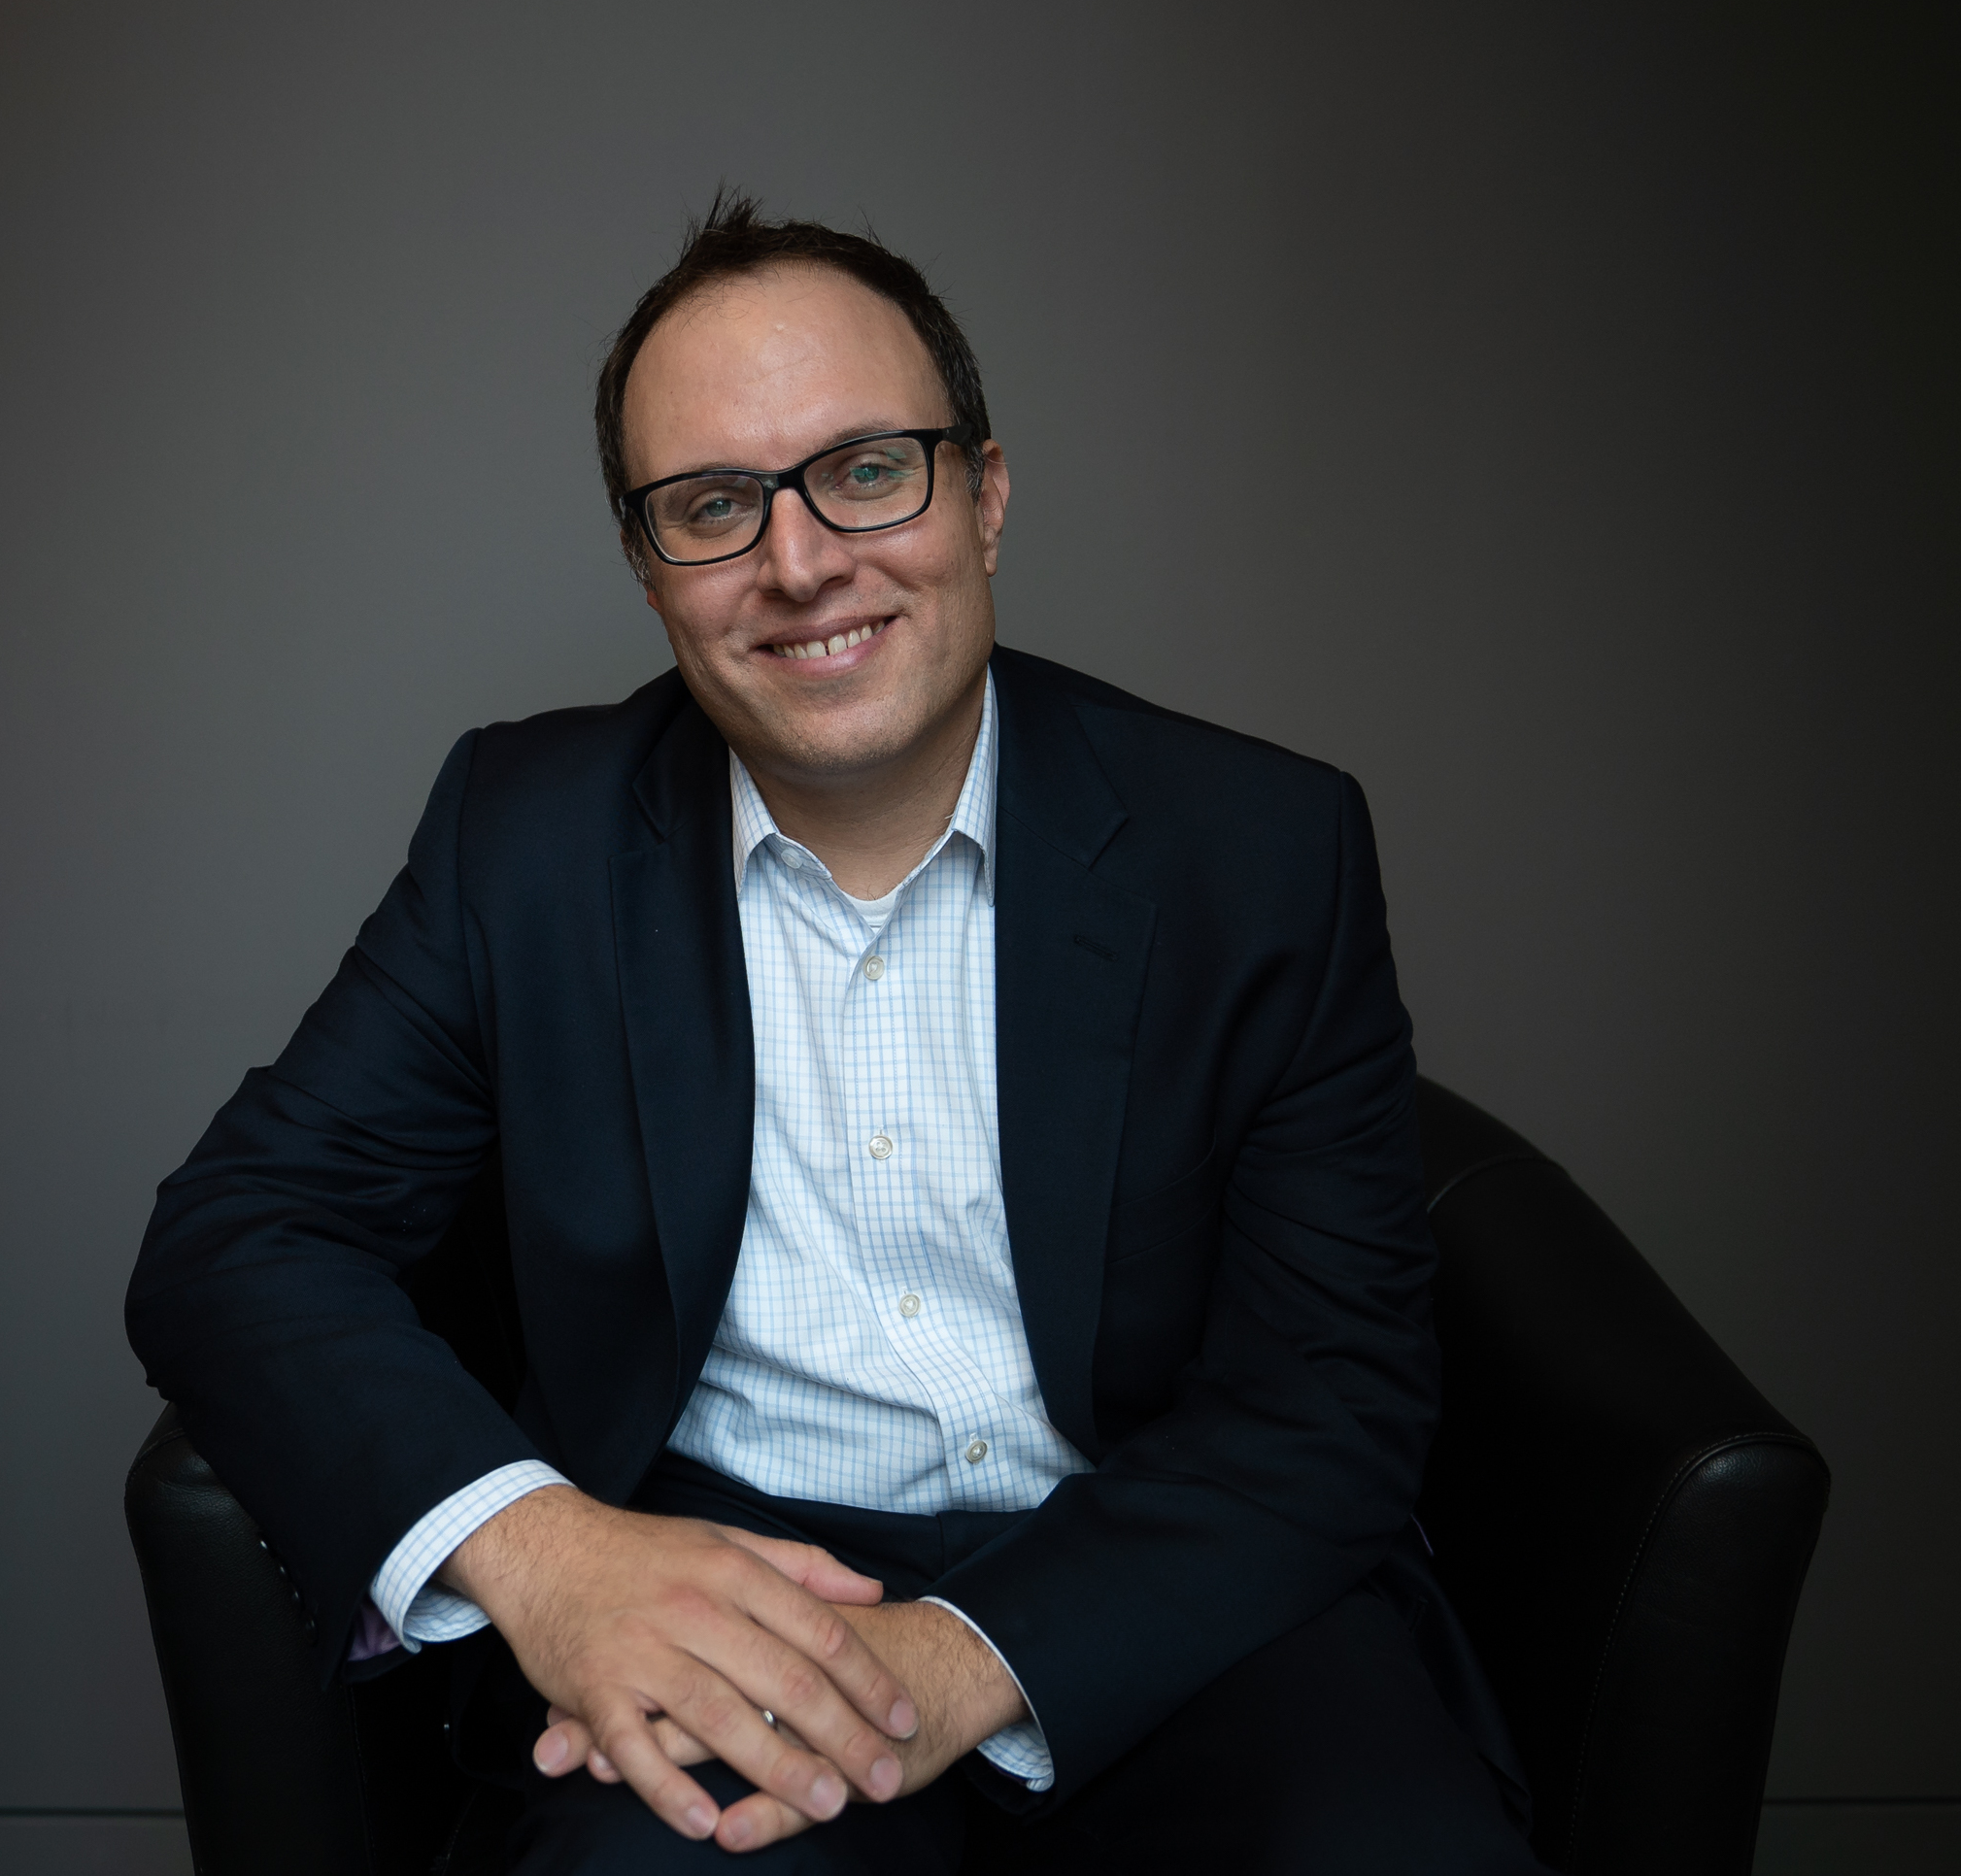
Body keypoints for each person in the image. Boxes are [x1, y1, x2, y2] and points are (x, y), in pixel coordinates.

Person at [126, 193, 1539, 1873]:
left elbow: (1332, 1397)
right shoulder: (524, 837)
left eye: (868, 469)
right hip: (714, 1597)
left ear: (987, 492)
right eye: (713, 507)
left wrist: (953, 1658)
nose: (799, 562)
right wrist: (553, 1556)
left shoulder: (1260, 844)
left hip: (1179, 1589)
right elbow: (236, 1235)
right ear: (649, 567)